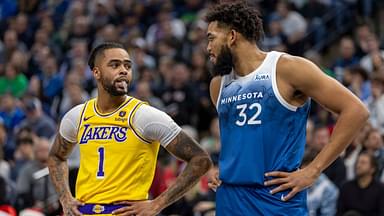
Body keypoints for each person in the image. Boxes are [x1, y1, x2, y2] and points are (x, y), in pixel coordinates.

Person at [205, 2, 369, 215]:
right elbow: (239, 140)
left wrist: (314, 170)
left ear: (232, 36)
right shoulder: (218, 85)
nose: (208, 48)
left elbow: (356, 111)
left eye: (211, 38)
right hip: (231, 198)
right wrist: (223, 169)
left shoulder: (286, 68)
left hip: (276, 199)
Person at [47, 42, 212, 216]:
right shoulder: (77, 116)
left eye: (127, 66)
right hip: (85, 210)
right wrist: (65, 198)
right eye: (115, 65)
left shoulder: (144, 115)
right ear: (96, 72)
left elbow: (201, 159)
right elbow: (56, 156)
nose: (124, 70)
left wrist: (158, 204)